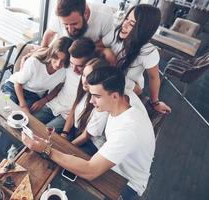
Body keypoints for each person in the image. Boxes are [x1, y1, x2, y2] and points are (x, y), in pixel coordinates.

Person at [22, 66, 156, 200]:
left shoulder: (128, 130)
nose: (91, 101)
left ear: (115, 96)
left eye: (97, 96)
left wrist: (46, 149)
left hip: (127, 183)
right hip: (111, 162)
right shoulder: (123, 96)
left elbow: (90, 170)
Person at [102, 4, 171, 114]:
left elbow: (154, 78)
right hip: (111, 81)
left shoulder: (148, 51)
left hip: (129, 89)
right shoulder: (117, 33)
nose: (124, 24)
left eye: (132, 24)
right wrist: (107, 52)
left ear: (144, 30)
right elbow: (98, 46)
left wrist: (155, 103)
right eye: (126, 19)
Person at [33, 37, 96, 132]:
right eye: (71, 63)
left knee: (43, 133)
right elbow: (53, 53)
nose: (74, 69)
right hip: (54, 104)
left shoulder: (90, 79)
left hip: (67, 115)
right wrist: (44, 100)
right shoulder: (65, 65)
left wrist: (65, 132)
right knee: (29, 122)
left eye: (79, 66)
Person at [2, 37, 73, 113]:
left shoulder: (65, 70)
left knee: (23, 117)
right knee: (7, 108)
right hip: (14, 87)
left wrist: (44, 101)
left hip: (33, 95)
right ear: (51, 53)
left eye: (63, 61)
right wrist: (23, 105)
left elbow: (58, 88)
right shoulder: (34, 62)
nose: (58, 64)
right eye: (56, 57)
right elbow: (18, 83)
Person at [60, 58, 108, 155]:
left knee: (62, 158)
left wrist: (65, 148)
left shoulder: (101, 104)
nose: (85, 81)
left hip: (91, 143)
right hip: (76, 130)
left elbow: (86, 136)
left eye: (89, 77)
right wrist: (64, 133)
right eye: (84, 75)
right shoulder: (84, 89)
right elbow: (74, 108)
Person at [42, 0, 114, 48]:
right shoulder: (58, 14)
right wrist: (42, 50)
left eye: (74, 24)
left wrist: (87, 49)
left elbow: (107, 40)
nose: (70, 30)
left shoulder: (105, 15)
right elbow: (49, 34)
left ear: (85, 13)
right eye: (66, 24)